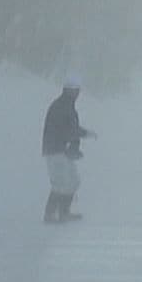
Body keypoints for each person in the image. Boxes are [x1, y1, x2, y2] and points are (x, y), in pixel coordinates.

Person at [40, 75, 94, 224]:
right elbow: (68, 130)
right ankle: (50, 215)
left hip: (62, 150)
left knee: (73, 181)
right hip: (55, 150)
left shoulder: (67, 106)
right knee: (61, 183)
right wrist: (83, 134)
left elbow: (70, 129)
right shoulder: (61, 107)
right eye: (76, 90)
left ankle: (64, 212)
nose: (78, 94)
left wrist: (75, 144)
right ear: (70, 90)